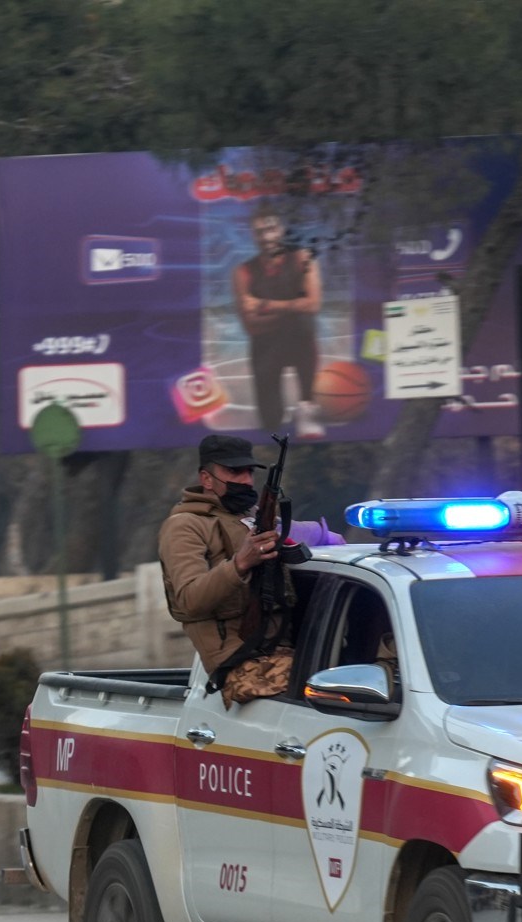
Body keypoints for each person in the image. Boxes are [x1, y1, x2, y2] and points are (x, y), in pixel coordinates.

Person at [158, 434, 282, 679]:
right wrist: (240, 564)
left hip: (278, 645)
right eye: (235, 472)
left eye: (249, 472)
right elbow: (190, 599)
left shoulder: (251, 516)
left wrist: (328, 535)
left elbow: (296, 533)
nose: (246, 481)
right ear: (206, 478)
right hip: (235, 661)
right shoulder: (185, 525)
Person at [233, 205, 324, 440]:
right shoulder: (243, 272)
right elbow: (251, 326)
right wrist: (294, 307)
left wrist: (266, 306)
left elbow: (314, 305)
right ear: (253, 236)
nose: (267, 237)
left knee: (305, 328)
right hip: (266, 348)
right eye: (260, 232)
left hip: (298, 340)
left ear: (281, 230)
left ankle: (307, 405)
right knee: (270, 423)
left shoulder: (303, 259)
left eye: (271, 229)